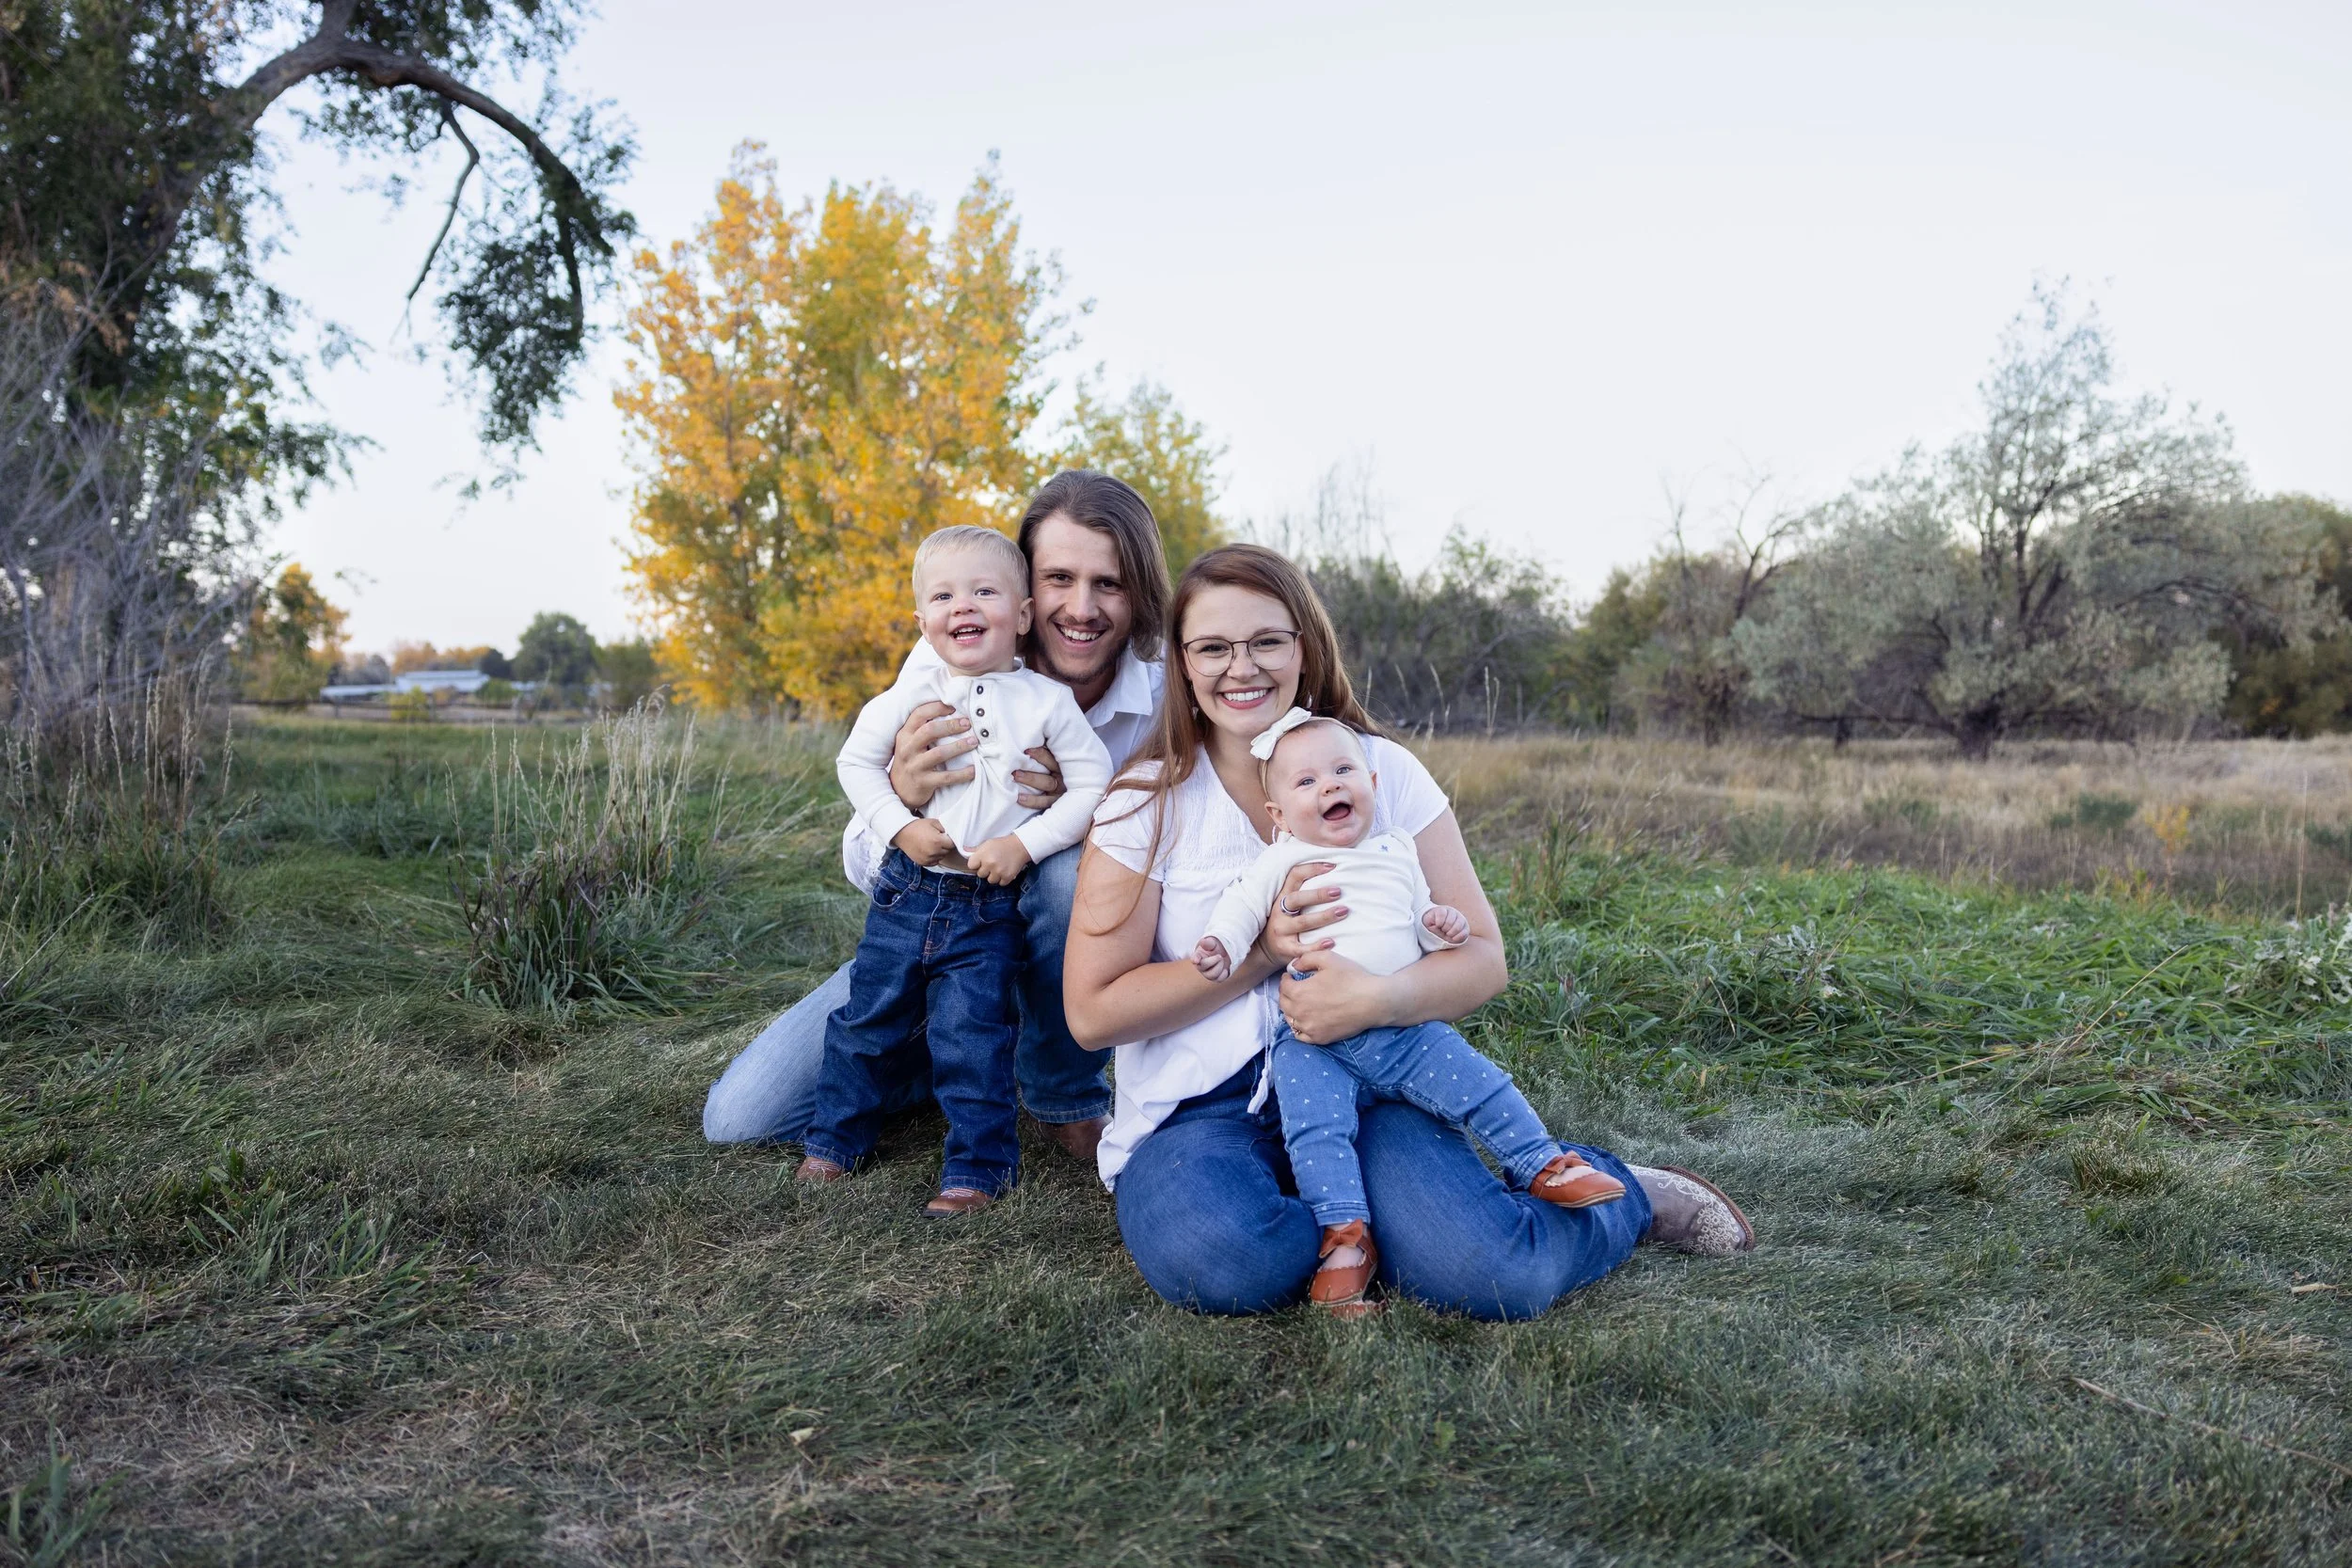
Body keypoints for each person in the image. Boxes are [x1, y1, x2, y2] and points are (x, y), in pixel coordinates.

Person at [1064, 544, 1756, 1321]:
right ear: (1183, 663)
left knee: (1493, 1273)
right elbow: (1093, 1013)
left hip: (1376, 1074)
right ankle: (1351, 1224)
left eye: (1267, 640)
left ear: (1304, 646)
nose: (1241, 667)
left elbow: (1482, 961)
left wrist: (1380, 997)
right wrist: (1262, 954)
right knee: (1227, 1261)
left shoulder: (1381, 772)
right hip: (1202, 1109)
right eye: (1213, 647)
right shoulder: (1147, 800)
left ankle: (1623, 1192)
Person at [701, 472, 1168, 1156]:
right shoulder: (944, 659)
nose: (1081, 606)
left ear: (1141, 591)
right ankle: (965, 1049)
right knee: (742, 1119)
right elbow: (863, 856)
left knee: (1072, 868)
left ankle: (1060, 1091)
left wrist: (1071, 818)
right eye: (1060, 578)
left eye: (1110, 583)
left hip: (1061, 951)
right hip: (930, 928)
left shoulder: (1162, 697)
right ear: (1026, 595)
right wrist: (905, 796)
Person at [1187, 705, 1624, 1313]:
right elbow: (1241, 906)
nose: (1331, 785)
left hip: (1400, 1029)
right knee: (1317, 1134)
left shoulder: (1394, 849)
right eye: (1307, 782)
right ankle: (1345, 1238)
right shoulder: (1284, 859)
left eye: (1344, 770)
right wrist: (1222, 943)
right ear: (1279, 815)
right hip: (1313, 1041)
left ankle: (1541, 1160)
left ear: (1372, 784)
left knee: (1478, 1082)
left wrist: (1439, 925)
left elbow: (1422, 923)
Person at [797, 526, 1112, 1215]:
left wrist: (1025, 844)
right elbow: (854, 763)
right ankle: (834, 1143)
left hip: (986, 903)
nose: (961, 605)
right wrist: (901, 823)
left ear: (1024, 615)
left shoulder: (1045, 701)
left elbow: (1095, 786)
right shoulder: (912, 691)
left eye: (983, 591)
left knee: (973, 1034)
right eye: (942, 595)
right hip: (905, 894)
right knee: (865, 1020)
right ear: (921, 622)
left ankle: (977, 1169)